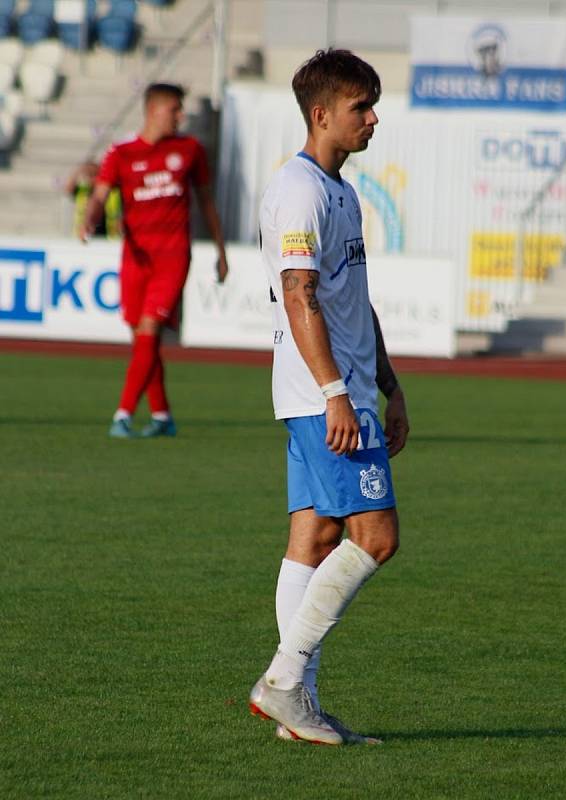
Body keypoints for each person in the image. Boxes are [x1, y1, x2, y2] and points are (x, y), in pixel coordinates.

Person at [249, 49, 410, 745]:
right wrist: (338, 392)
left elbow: (351, 300)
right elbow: (298, 292)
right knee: (375, 538)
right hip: (325, 396)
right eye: (360, 108)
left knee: (312, 540)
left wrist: (390, 384)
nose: (372, 119)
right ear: (321, 115)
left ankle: (297, 709)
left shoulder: (339, 191)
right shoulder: (301, 190)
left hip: (338, 391)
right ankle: (284, 681)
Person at [80, 82, 229, 438]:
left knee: (148, 331)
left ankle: (123, 415)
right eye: (174, 109)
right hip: (135, 258)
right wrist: (89, 217)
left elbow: (207, 202)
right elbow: (99, 195)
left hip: (173, 255)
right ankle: (162, 417)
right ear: (153, 110)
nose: (180, 116)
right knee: (143, 341)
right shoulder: (121, 153)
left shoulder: (190, 150)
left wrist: (221, 251)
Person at [66, 160, 122, 239]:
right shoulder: (82, 190)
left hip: (109, 237)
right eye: (89, 175)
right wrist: (79, 170)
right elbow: (68, 188)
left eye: (95, 174)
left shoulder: (111, 190)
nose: (92, 178)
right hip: (84, 235)